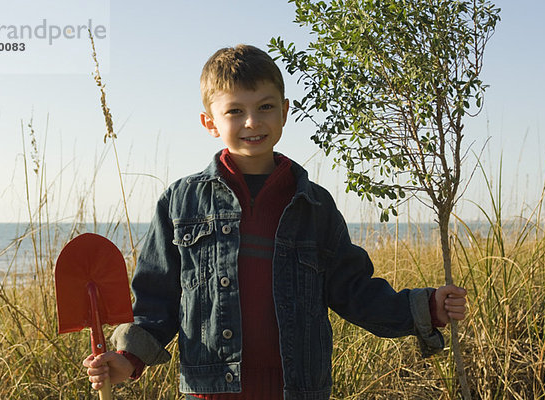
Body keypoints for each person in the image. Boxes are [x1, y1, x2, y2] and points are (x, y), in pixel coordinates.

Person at [83, 44, 467, 399]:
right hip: (213, 391)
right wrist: (127, 358)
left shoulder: (313, 206)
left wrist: (425, 307)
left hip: (297, 388)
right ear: (209, 122)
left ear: (285, 111)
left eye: (265, 107)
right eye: (235, 110)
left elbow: (354, 290)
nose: (252, 121)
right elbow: (156, 300)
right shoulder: (180, 202)